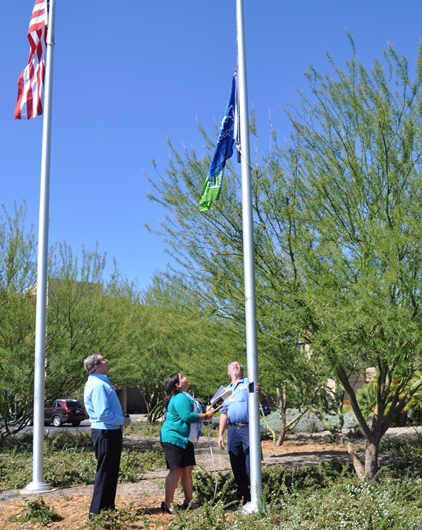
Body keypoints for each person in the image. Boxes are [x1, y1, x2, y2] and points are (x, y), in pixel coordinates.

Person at [160, 373, 216, 514]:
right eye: (182, 377)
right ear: (177, 384)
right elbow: (187, 416)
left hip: (185, 438)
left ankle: (188, 502)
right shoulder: (179, 397)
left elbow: (197, 408)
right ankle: (167, 503)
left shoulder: (187, 397)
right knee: (176, 470)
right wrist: (206, 416)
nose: (186, 377)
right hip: (174, 437)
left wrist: (206, 408)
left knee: (186, 470)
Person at [83, 353, 131, 518]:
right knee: (104, 471)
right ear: (97, 366)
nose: (107, 361)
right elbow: (103, 413)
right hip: (105, 432)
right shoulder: (98, 385)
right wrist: (123, 420)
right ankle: (96, 513)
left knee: (111, 470)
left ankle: (107, 508)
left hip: (109, 431)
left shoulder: (100, 382)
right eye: (103, 359)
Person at [217, 361, 264, 503]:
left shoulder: (249, 383)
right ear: (228, 372)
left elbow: (260, 398)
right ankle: (244, 494)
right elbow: (223, 414)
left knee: (251, 461)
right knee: (236, 462)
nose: (235, 366)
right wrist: (220, 434)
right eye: (232, 365)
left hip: (248, 428)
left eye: (238, 365)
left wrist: (259, 392)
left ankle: (256, 495)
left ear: (242, 370)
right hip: (232, 430)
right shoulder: (226, 391)